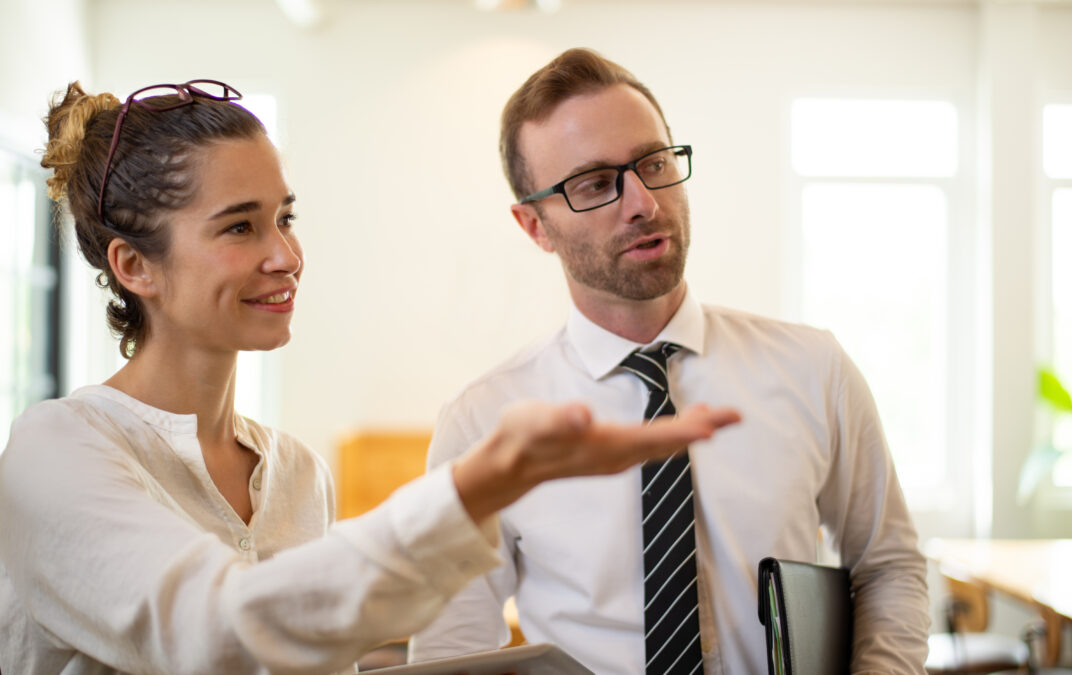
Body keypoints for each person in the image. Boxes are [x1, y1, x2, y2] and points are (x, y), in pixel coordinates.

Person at [0, 79, 742, 675]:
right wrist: (472, 488)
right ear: (135, 266)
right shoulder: (56, 451)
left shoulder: (296, 475)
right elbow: (218, 633)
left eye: (284, 217)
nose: (285, 255)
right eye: (238, 226)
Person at [408, 49, 931, 674]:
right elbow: (452, 645)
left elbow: (889, 565)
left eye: (654, 164)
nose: (644, 203)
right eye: (596, 184)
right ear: (534, 227)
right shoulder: (483, 422)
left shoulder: (814, 370)